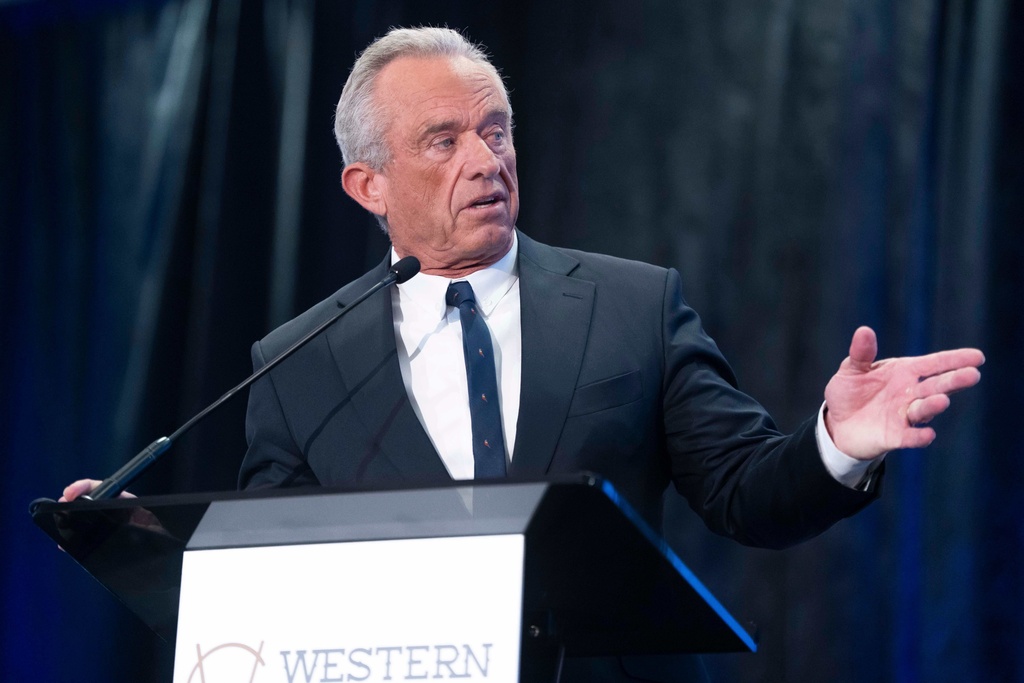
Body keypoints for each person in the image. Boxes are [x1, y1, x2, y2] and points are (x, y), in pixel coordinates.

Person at [62, 26, 984, 682]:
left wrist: (836, 441)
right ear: (367, 184)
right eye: (444, 140)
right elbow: (280, 579)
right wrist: (156, 550)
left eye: (496, 128)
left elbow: (747, 492)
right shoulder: (298, 358)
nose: (486, 158)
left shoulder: (632, 305)